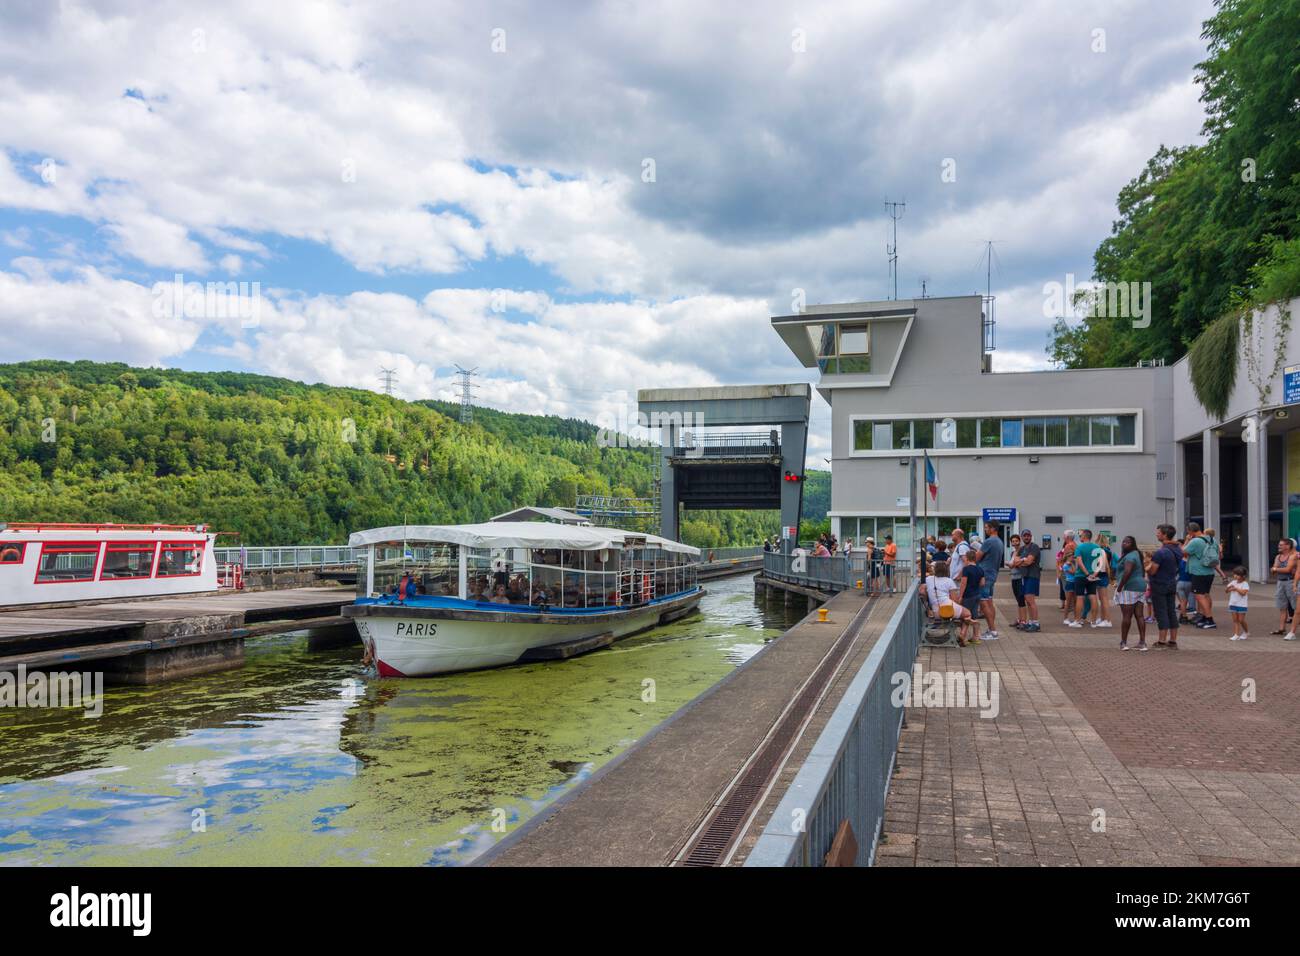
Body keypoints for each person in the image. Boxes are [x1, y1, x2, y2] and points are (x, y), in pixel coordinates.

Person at [1146, 524, 1182, 649]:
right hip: (1172, 583)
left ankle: (1161, 641)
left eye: (1158, 532)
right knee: (1171, 611)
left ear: (1165, 535)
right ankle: (1172, 641)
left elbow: (1153, 571)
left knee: (1161, 612)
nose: (1156, 534)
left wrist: (1147, 569)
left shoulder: (1161, 552)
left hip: (1159, 584)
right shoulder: (1177, 549)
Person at [922, 560, 973, 647]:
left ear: (935, 570)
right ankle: (962, 634)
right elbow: (954, 600)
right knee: (967, 614)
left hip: (936, 611)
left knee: (961, 616)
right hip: (948, 609)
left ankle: (959, 635)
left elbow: (922, 590)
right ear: (947, 570)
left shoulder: (929, 579)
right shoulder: (949, 581)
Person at [1113, 535, 1148, 651]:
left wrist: (1120, 587)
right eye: (1123, 542)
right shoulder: (1137, 554)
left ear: (1133, 544)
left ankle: (1123, 642)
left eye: (1128, 542)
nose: (1124, 544)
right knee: (1140, 615)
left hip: (1129, 587)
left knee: (1126, 616)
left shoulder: (1130, 556)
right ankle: (1142, 643)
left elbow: (1127, 571)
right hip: (1141, 587)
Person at [971, 521, 1004, 639]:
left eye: (986, 528)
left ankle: (993, 631)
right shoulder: (1000, 541)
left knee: (983, 603)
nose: (985, 530)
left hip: (984, 574)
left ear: (993, 528)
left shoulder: (989, 541)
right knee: (989, 602)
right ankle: (991, 629)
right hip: (993, 573)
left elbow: (977, 557)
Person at [1183, 522, 1218, 629]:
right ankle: (1205, 616)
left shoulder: (1195, 541)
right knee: (1206, 594)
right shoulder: (1212, 539)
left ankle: (1209, 619)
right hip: (1210, 571)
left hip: (1199, 572)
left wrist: (1187, 540)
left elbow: (1183, 551)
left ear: (1190, 531)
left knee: (1199, 595)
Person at [1069, 529, 1104, 628]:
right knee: (1093, 596)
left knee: (1080, 597)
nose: (1080, 537)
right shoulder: (1097, 547)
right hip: (1093, 576)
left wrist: (1087, 573)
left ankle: (1077, 621)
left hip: (1081, 575)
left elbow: (1079, 562)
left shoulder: (1079, 547)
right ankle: (1093, 622)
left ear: (1085, 536)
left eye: (1081, 536)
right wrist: (1094, 574)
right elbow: (1101, 563)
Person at [1017, 529, 1042, 632]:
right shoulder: (1021, 549)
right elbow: (1015, 562)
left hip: (1032, 576)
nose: (1026, 537)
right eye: (1024, 536)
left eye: (1028, 535)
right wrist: (1024, 561)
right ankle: (1031, 622)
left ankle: (1036, 623)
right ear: (1022, 537)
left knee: (1030, 599)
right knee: (1027, 600)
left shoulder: (1034, 547)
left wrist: (1022, 562)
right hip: (1024, 577)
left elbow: (1029, 562)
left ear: (1031, 536)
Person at [956, 556, 985, 643]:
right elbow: (982, 583)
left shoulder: (966, 569)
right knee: (974, 615)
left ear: (967, 559)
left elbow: (963, 583)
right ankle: (976, 637)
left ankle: (963, 636)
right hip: (977, 594)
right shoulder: (980, 569)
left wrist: (960, 596)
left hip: (968, 595)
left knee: (966, 615)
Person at [1270, 538, 1296, 635]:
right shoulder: (1278, 556)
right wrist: (1276, 569)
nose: (1278, 546)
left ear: (1287, 546)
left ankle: (1292, 631)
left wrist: (1276, 569)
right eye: (1279, 544)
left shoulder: (1293, 556)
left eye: (1281, 545)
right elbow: (1273, 570)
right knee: (1282, 607)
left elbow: (1288, 569)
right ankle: (1282, 629)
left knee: (1296, 607)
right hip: (1280, 583)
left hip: (1291, 582)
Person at [1226, 567, 1250, 640]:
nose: (1235, 576)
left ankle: (1246, 632)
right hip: (1233, 603)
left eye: (1238, 575)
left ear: (1243, 576)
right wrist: (1229, 588)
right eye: (1235, 574)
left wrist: (1236, 589)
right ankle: (1236, 634)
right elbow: (1226, 591)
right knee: (1235, 620)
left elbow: (1243, 593)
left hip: (1242, 605)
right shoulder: (1233, 582)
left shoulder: (1245, 584)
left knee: (1241, 620)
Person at [1059, 530, 1078, 623]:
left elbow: (1064, 559)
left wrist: (1061, 561)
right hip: (1075, 574)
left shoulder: (1068, 545)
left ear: (1067, 537)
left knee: (1069, 599)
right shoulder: (1076, 545)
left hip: (1068, 575)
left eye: (1064, 536)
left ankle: (1066, 618)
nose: (1063, 538)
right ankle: (1076, 618)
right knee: (1075, 600)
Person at [1008, 534, 1026, 628]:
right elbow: (1013, 564)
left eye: (1016, 541)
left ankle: (1023, 621)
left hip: (1020, 577)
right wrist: (1012, 564)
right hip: (1013, 577)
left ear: (1019, 541)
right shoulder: (1012, 552)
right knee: (1018, 599)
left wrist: (1014, 564)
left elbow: (1021, 564)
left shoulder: (1022, 551)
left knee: (1021, 599)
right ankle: (1020, 619)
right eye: (1013, 541)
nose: (1015, 543)